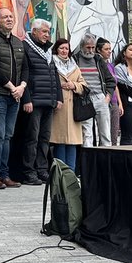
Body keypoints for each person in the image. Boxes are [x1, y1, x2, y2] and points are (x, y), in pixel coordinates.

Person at [0, 7, 29, 189]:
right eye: (5, 17)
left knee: (8, 136)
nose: (9, 19)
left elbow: (25, 68)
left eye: (11, 16)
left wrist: (22, 87)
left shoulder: (18, 42)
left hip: (15, 95)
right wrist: (11, 86)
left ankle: (5, 174)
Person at [20, 18, 59, 185]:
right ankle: (29, 171)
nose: (46, 35)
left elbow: (54, 74)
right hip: (34, 101)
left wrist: (58, 97)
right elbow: (24, 75)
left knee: (45, 138)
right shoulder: (26, 47)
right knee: (32, 138)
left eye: (48, 32)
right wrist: (27, 99)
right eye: (43, 32)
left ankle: (42, 169)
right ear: (34, 31)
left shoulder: (48, 50)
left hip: (48, 100)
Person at [49, 38, 85, 169]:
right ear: (56, 49)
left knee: (72, 142)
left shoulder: (74, 65)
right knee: (60, 141)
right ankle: (60, 173)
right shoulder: (51, 63)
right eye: (61, 48)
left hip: (73, 109)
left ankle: (71, 172)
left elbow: (84, 84)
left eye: (66, 48)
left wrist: (73, 85)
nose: (64, 51)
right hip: (59, 107)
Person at [74, 35, 115, 148]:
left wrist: (108, 96)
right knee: (87, 133)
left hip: (100, 98)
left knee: (105, 133)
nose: (90, 50)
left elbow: (110, 80)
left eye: (93, 47)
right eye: (88, 47)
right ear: (82, 47)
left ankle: (106, 159)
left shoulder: (98, 60)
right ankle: (88, 161)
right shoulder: (75, 59)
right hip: (85, 99)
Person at [97, 39, 122, 146]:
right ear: (98, 50)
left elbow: (115, 85)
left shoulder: (111, 65)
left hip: (114, 101)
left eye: (110, 49)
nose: (109, 51)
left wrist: (120, 103)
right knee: (104, 134)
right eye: (106, 49)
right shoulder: (98, 64)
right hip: (104, 101)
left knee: (114, 133)